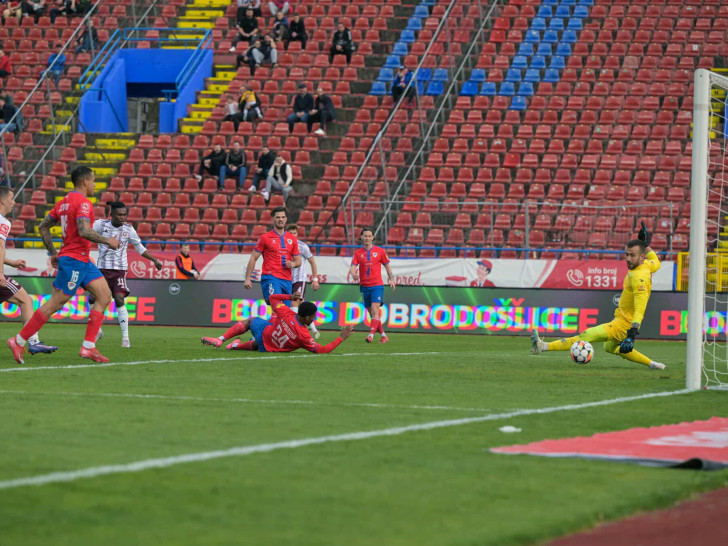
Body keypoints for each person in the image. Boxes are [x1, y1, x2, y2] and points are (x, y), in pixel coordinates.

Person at [7, 166, 120, 365]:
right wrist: (107, 240)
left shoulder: (64, 202)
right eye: (93, 180)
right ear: (85, 181)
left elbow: (43, 226)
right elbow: (84, 231)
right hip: (74, 260)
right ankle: (19, 341)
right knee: (56, 303)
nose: (94, 185)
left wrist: (53, 252)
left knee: (104, 295)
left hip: (83, 259)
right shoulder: (83, 203)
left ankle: (88, 346)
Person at [531, 222, 666, 370]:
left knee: (586, 335)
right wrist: (645, 244)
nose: (628, 258)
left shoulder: (639, 278)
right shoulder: (647, 265)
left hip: (623, 325)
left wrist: (632, 334)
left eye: (632, 255)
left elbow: (640, 309)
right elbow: (657, 262)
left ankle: (542, 346)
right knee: (610, 348)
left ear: (641, 257)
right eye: (627, 254)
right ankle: (653, 364)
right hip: (620, 320)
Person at [90, 201, 163, 348]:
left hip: (119, 271)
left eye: (124, 215)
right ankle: (98, 331)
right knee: (92, 298)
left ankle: (125, 338)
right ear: (111, 214)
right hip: (102, 269)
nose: (123, 217)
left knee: (119, 298)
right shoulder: (100, 225)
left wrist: (154, 260)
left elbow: (139, 247)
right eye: (119, 215)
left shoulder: (129, 229)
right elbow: (86, 232)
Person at [0, 187, 58, 356]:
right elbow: (0, 246)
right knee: (26, 300)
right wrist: (0, 273)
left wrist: (12, 262)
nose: (14, 202)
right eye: (12, 198)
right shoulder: (3, 222)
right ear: (3, 200)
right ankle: (33, 342)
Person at [202, 292, 353, 352]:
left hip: (265, 334)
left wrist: (289, 297)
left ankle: (221, 339)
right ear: (307, 317)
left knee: (251, 320)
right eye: (313, 316)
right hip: (267, 348)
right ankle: (234, 347)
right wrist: (341, 338)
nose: (314, 319)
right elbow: (322, 350)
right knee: (257, 344)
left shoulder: (286, 312)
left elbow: (272, 298)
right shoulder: (304, 336)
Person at [243, 206, 301, 304]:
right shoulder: (265, 237)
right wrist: (247, 278)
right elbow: (253, 257)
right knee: (276, 305)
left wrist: (293, 264)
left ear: (286, 219)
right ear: (272, 219)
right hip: (271, 277)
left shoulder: (292, 239)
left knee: (284, 311)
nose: (280, 220)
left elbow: (298, 261)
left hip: (287, 280)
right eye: (278, 217)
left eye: (283, 217)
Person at [349, 227, 396, 344]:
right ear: (361, 237)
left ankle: (371, 335)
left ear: (373, 237)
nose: (367, 238)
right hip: (364, 286)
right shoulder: (358, 253)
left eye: (369, 236)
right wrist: (353, 273)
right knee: (372, 313)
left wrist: (391, 279)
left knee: (375, 309)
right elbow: (353, 266)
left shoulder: (380, 251)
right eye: (365, 236)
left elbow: (387, 266)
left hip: (377, 285)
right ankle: (384, 336)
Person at [286, 223, 321, 339]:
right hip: (287, 280)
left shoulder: (302, 246)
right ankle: (314, 330)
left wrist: (315, 279)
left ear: (297, 234)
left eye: (294, 233)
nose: (292, 235)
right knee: (301, 305)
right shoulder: (283, 246)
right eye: (290, 233)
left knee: (294, 303)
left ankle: (294, 331)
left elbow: (312, 262)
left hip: (299, 279)